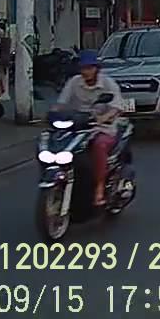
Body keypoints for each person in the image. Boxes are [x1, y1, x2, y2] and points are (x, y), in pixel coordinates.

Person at [55, 50, 124, 208]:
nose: (86, 72)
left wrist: (104, 117)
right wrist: (53, 114)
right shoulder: (74, 82)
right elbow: (61, 104)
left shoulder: (108, 84)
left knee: (99, 145)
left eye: (89, 68)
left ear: (96, 69)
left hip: (102, 128)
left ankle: (99, 187)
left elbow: (117, 108)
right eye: (83, 68)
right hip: (76, 127)